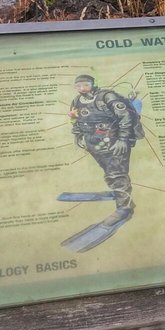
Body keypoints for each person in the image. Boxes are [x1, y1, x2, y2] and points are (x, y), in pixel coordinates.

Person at [62, 74, 144, 252]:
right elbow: (75, 118)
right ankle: (119, 191)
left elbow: (125, 118)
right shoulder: (77, 100)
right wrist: (78, 135)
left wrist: (123, 139)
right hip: (93, 142)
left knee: (117, 172)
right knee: (109, 170)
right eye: (79, 85)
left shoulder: (107, 97)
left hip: (114, 140)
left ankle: (124, 207)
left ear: (93, 84)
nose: (82, 88)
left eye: (86, 84)